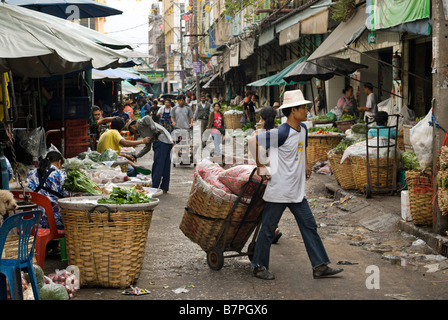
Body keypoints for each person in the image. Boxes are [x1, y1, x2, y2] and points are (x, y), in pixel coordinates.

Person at [247, 89, 343, 280]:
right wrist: (260, 167)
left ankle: (320, 266)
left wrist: (306, 165)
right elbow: (252, 140)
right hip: (280, 190)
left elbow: (302, 147)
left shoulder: (303, 129)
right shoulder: (282, 132)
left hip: (296, 191)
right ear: (293, 111)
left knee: (309, 226)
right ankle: (258, 266)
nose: (307, 111)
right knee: (268, 229)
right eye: (303, 108)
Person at [251, 106, 282, 244]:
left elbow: (253, 150)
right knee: (272, 203)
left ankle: (271, 229)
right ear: (275, 119)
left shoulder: (258, 134)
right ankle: (273, 228)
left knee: (264, 203)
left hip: (263, 173)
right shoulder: (280, 133)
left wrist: (259, 166)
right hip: (276, 172)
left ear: (261, 119)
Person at [127, 116, 174, 193]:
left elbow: (147, 117)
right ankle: (164, 187)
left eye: (132, 131)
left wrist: (154, 130)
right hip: (167, 141)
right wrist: (136, 156)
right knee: (165, 165)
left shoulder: (139, 123)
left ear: (132, 126)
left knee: (158, 166)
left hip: (161, 141)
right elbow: (147, 147)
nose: (135, 133)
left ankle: (154, 188)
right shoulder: (142, 131)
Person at [26, 151, 68, 230]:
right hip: (54, 221)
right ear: (59, 162)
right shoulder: (61, 175)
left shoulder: (30, 174)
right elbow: (67, 197)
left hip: (34, 220)